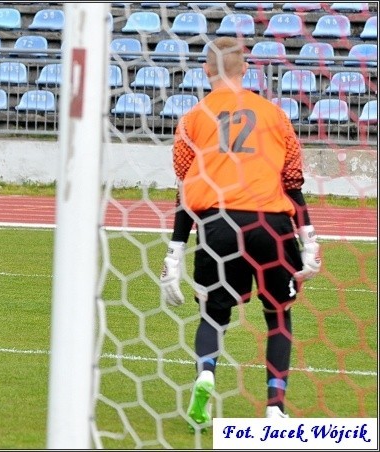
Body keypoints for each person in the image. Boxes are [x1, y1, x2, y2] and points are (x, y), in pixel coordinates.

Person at [159, 37, 321, 426]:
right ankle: (274, 409)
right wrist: (309, 239)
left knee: (214, 315)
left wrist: (174, 253)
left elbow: (185, 191)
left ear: (205, 71)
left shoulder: (192, 119)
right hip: (272, 223)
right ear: (246, 70)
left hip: (219, 226)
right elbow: (293, 181)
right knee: (278, 315)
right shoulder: (275, 116)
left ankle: (206, 373)